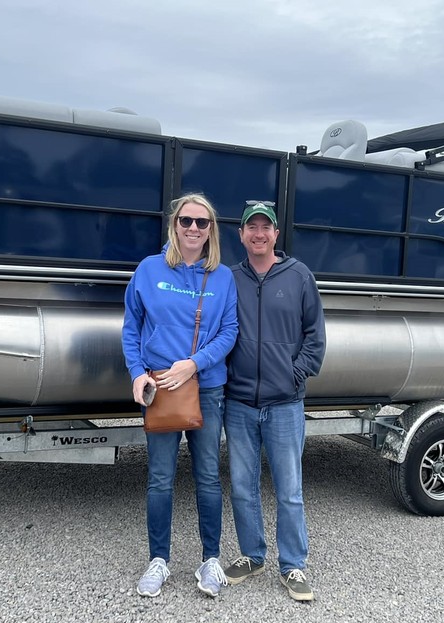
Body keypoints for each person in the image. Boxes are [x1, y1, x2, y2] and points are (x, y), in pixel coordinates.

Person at [121, 193, 239, 598]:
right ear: (174, 225)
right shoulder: (149, 269)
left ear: (211, 231)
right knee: (160, 478)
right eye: (186, 221)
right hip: (160, 389)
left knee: (208, 476)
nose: (193, 229)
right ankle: (159, 560)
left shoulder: (221, 276)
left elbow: (229, 332)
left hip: (205, 389)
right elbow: (131, 327)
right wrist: (137, 373)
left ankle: (210, 560)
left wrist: (194, 363)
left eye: (201, 223)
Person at [222, 200, 326, 602]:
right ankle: (253, 555)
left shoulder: (299, 276)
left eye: (266, 227)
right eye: (252, 227)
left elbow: (315, 336)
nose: (259, 234)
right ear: (242, 234)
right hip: (240, 403)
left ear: (276, 234)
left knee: (289, 489)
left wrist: (294, 374)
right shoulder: (229, 278)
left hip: (285, 404)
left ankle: (293, 565)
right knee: (243, 487)